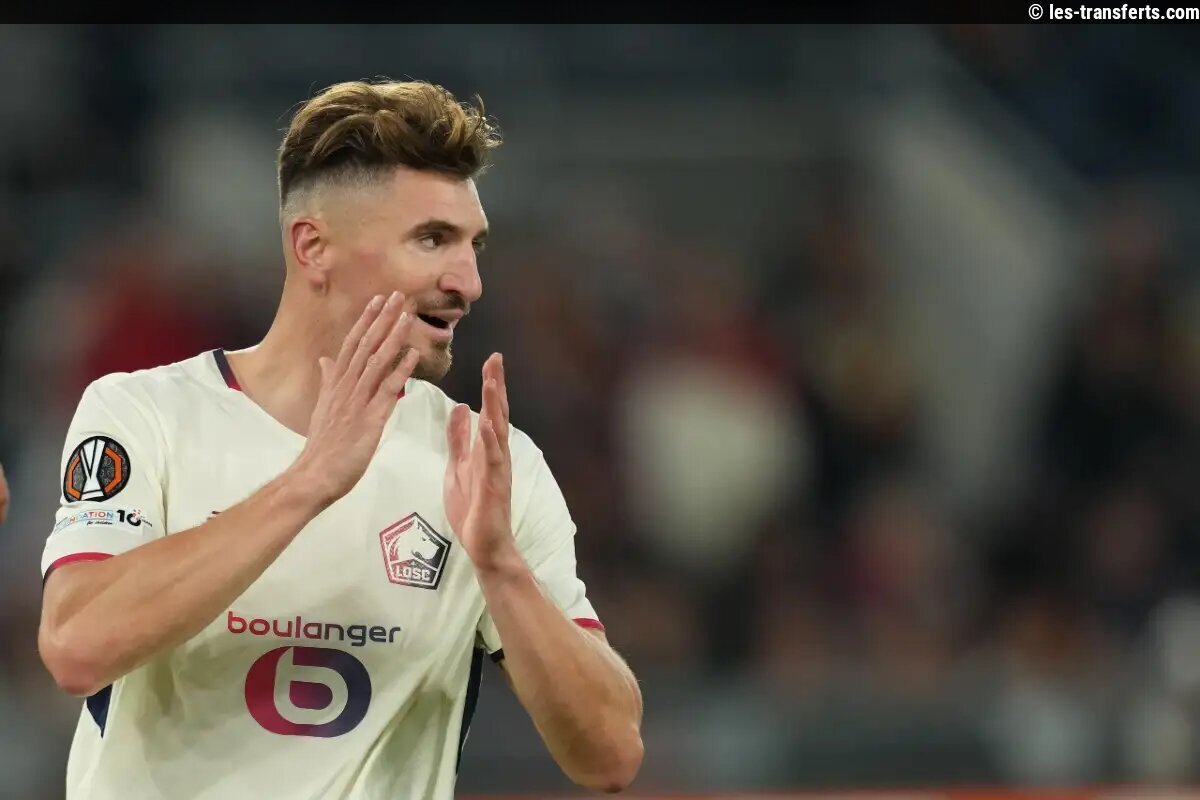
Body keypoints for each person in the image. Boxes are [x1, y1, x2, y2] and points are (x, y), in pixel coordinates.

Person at [37, 79, 644, 800]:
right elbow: (75, 645)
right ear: (313, 246)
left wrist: (502, 567)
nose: (469, 282)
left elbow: (611, 757)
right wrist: (309, 481)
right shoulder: (146, 414)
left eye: (473, 245)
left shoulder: (484, 464)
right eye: (432, 239)